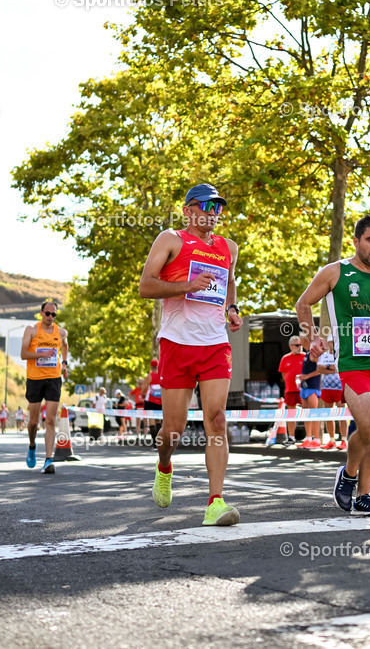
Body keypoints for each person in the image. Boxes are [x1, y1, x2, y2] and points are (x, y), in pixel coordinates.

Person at [296, 214, 370, 517]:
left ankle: (364, 496)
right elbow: (303, 304)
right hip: (353, 365)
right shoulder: (335, 272)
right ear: (356, 241)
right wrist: (311, 339)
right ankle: (348, 474)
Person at [138, 183, 242, 526]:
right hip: (177, 343)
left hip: (214, 343)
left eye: (217, 208)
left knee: (216, 419)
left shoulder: (229, 247)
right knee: (173, 429)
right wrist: (186, 286)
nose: (212, 214)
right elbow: (146, 286)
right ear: (188, 210)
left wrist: (232, 309)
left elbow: (228, 283)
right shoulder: (171, 239)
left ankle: (215, 502)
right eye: (205, 207)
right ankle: (164, 465)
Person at [21, 299, 69, 474]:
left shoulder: (61, 332)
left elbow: (65, 345)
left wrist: (64, 363)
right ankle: (32, 445)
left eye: (54, 314)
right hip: (34, 379)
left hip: (54, 378)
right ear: (41, 313)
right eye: (47, 313)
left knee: (50, 419)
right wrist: (41, 353)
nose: (50, 317)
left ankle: (49, 459)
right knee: (33, 422)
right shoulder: (32, 330)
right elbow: (23, 353)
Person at [317, 338, 346, 450]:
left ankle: (344, 439)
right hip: (326, 388)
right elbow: (319, 369)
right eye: (331, 342)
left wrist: (327, 368)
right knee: (329, 414)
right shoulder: (324, 356)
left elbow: (340, 368)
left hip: (339, 388)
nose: (333, 344)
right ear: (328, 343)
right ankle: (332, 440)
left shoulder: (342, 354)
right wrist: (331, 368)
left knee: (342, 414)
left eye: (335, 342)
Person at [278, 336, 305, 446]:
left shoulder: (305, 356)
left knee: (308, 412)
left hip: (304, 389)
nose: (300, 347)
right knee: (291, 414)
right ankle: (291, 437)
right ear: (290, 346)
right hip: (290, 390)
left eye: (301, 345)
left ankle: (310, 436)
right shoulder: (285, 358)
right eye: (297, 345)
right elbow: (283, 374)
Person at [297, 349, 323, 448]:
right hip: (305, 386)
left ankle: (316, 439)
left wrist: (307, 376)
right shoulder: (307, 352)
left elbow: (320, 368)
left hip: (313, 386)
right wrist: (303, 377)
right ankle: (308, 438)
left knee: (314, 413)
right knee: (306, 413)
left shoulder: (314, 352)